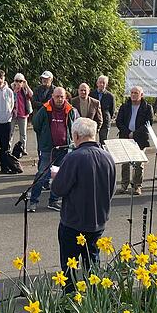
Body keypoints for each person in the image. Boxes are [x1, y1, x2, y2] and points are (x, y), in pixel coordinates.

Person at [51, 117, 116, 293]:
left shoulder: (74, 157)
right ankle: (95, 298)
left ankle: (70, 300)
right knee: (92, 263)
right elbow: (112, 189)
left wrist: (55, 178)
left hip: (74, 221)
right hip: (98, 221)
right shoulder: (108, 157)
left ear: (76, 135)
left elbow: (58, 189)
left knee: (69, 266)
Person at [29, 87, 77, 212]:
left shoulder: (70, 110)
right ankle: (33, 201)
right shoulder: (45, 109)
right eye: (57, 96)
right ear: (52, 96)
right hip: (47, 149)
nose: (60, 99)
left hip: (64, 149)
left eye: (62, 97)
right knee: (41, 174)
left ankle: (53, 201)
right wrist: (45, 138)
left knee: (58, 176)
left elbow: (75, 126)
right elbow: (36, 125)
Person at [115, 86, 154, 196]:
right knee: (125, 162)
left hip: (140, 139)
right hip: (125, 137)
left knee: (138, 163)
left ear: (141, 95)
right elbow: (119, 122)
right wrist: (128, 133)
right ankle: (124, 185)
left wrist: (134, 134)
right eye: (132, 93)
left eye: (136, 93)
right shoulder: (124, 106)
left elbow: (148, 123)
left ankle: (137, 186)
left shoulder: (147, 107)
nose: (133, 95)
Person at [11, 73, 33, 156]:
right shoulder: (11, 89)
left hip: (23, 113)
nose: (18, 83)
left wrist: (26, 85)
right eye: (17, 81)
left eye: (20, 81)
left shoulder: (25, 89)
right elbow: (9, 99)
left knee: (23, 133)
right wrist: (14, 91)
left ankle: (23, 148)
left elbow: (31, 95)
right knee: (10, 132)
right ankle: (8, 148)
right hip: (13, 113)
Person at [93, 75, 115, 145]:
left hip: (105, 122)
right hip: (93, 121)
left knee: (103, 143)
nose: (101, 84)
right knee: (92, 141)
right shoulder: (91, 94)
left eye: (103, 83)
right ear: (97, 83)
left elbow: (112, 110)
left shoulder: (110, 96)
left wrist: (107, 117)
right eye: (100, 82)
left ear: (106, 85)